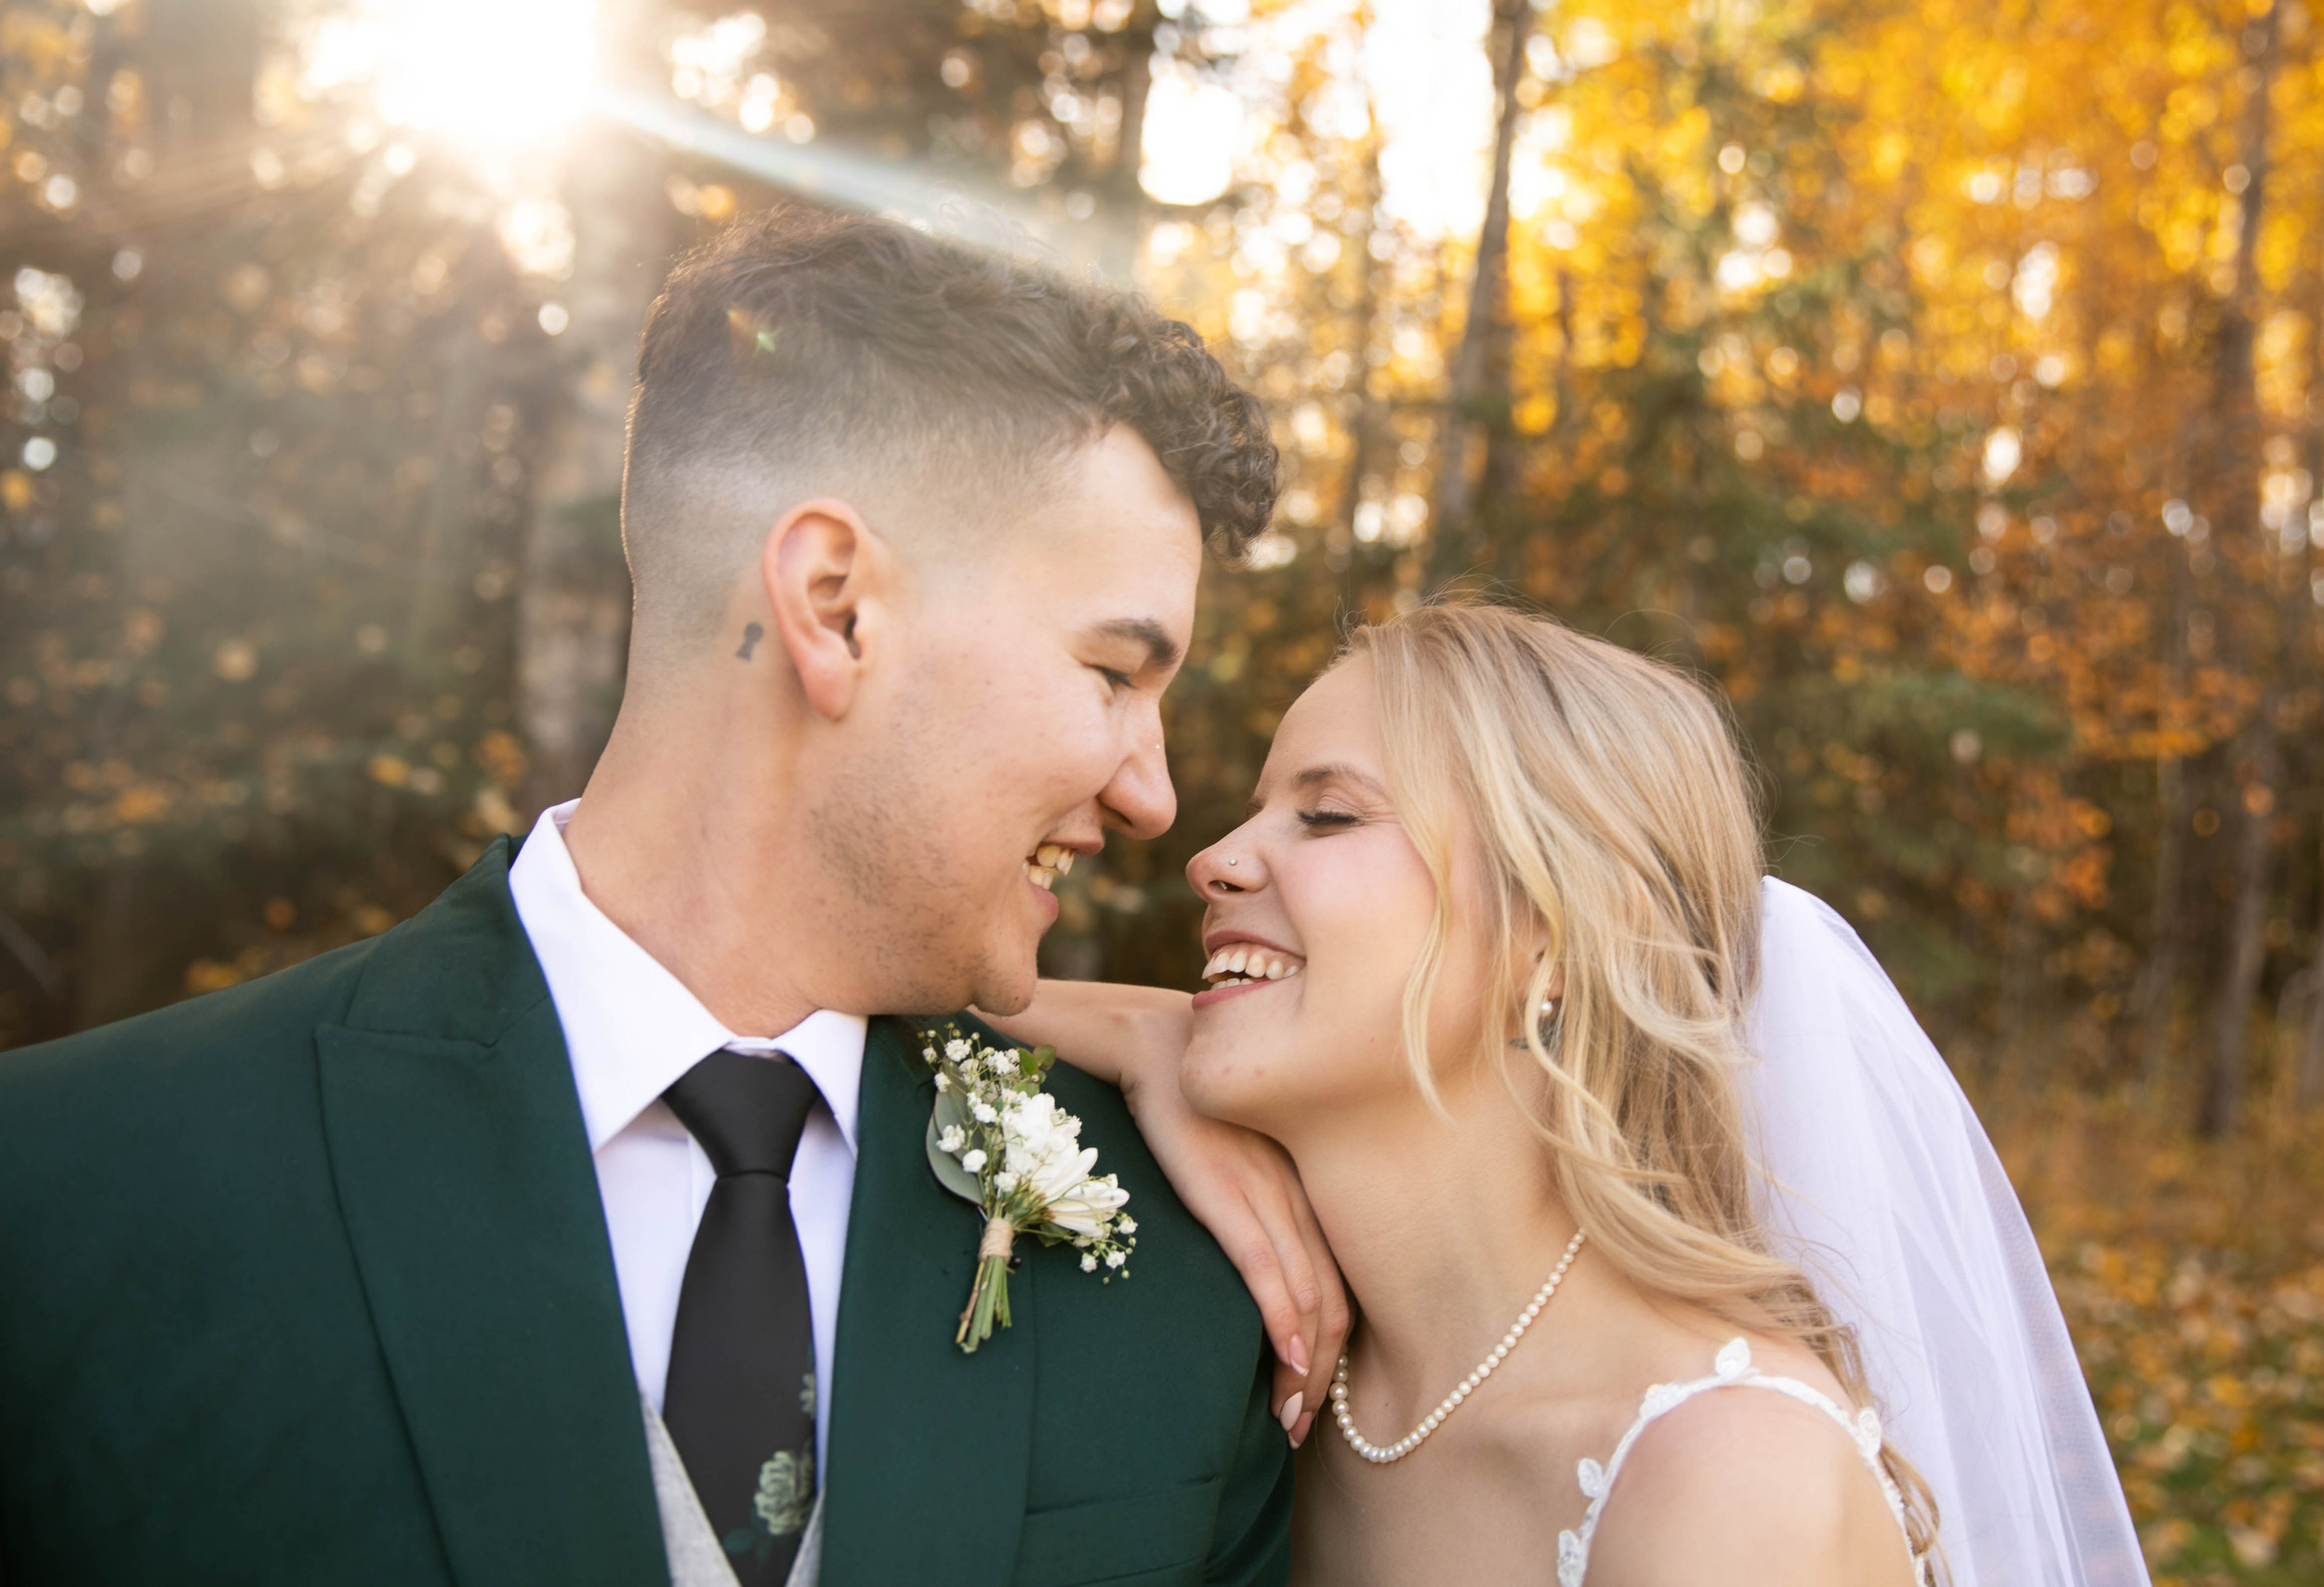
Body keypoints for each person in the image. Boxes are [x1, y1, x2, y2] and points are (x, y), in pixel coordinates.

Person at [0, 207, 1345, 1587]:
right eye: (1114, 672)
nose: (1155, 793)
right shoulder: (62, 1198)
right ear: (834, 607)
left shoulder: (1190, 1273)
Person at [991, 602, 2152, 1587]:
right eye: (1258, 807)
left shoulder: (1726, 1480)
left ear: (1548, 943)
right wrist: (1137, 1028)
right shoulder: (1255, 1363)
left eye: (1328, 813)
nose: (1215, 857)